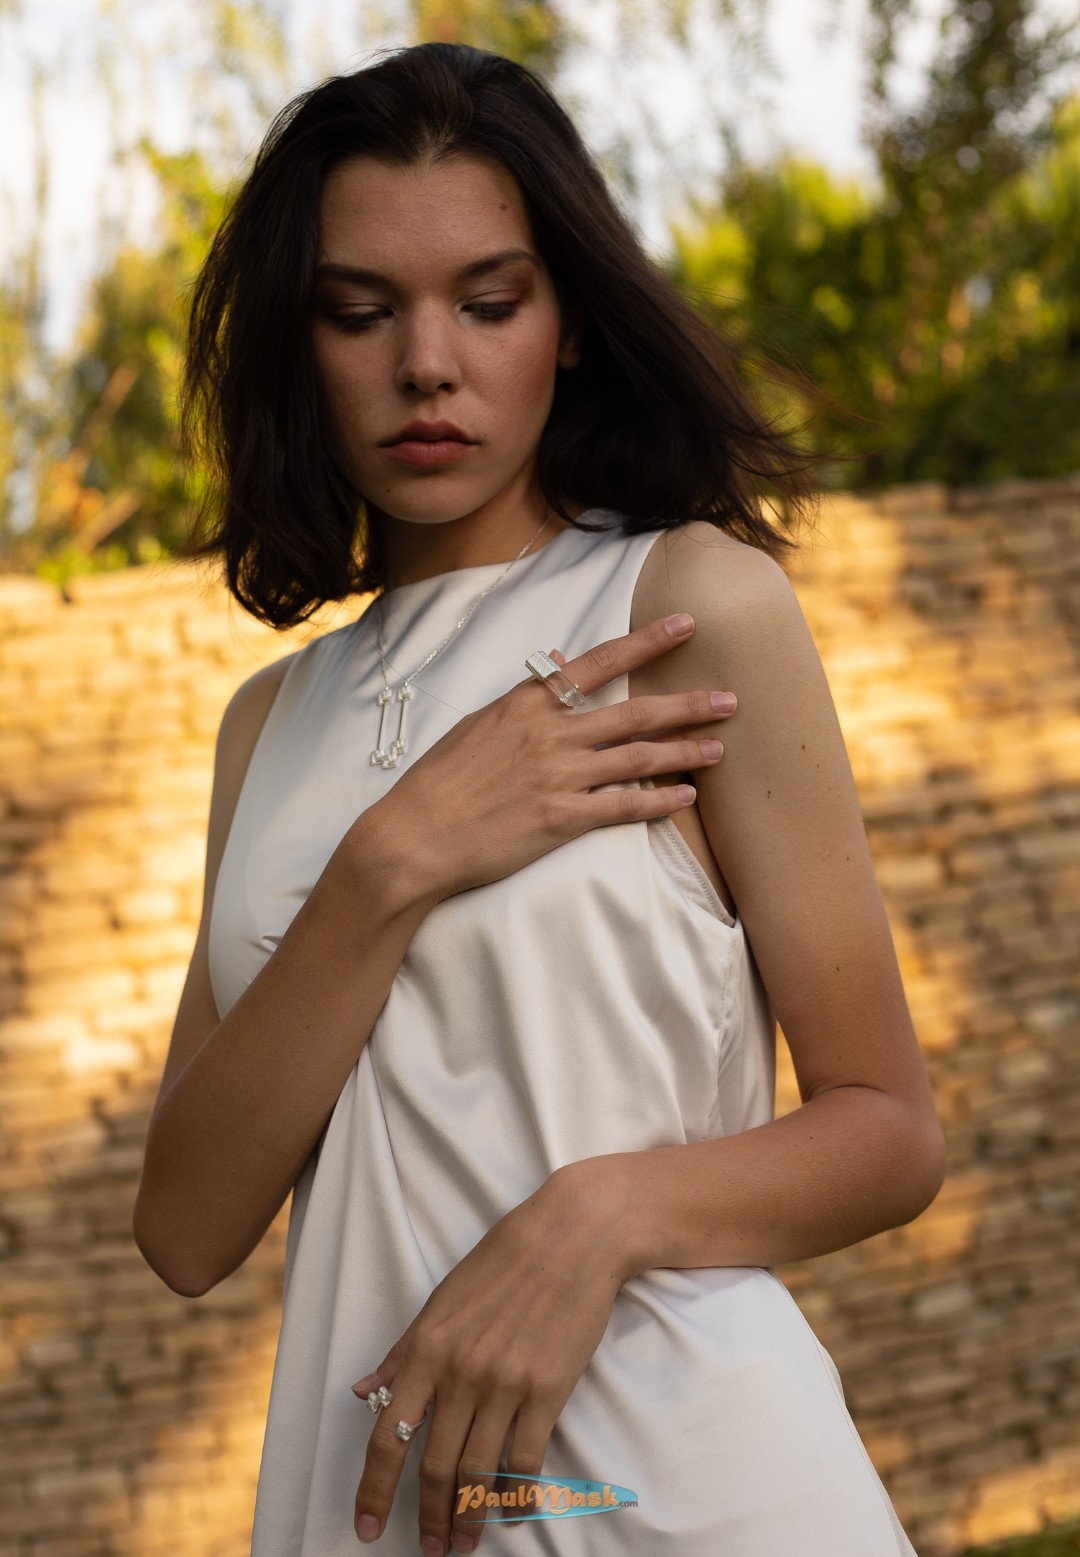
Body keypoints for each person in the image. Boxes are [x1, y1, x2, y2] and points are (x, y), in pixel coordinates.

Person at [132, 40, 946, 1557]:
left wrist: (596, 1218)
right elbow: (184, 1226)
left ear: (567, 323)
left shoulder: (686, 606)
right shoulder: (270, 726)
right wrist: (394, 859)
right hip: (379, 1509)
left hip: (686, 1488)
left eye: (489, 302)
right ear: (303, 345)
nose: (426, 364)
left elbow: (889, 1129)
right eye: (360, 313)